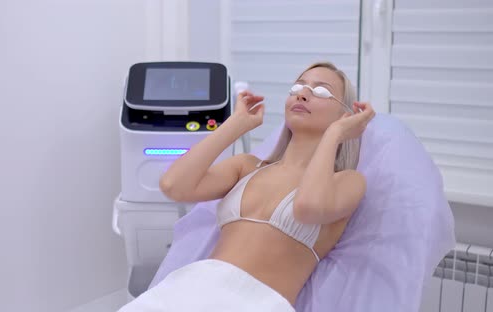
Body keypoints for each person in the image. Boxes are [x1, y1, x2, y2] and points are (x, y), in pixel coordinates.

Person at [118, 62, 376, 312]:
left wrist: (335, 134)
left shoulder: (347, 181)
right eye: (297, 88)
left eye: (321, 91)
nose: (303, 95)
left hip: (257, 303)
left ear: (346, 116)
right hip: (190, 288)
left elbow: (308, 207)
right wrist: (236, 123)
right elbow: (173, 185)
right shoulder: (247, 167)